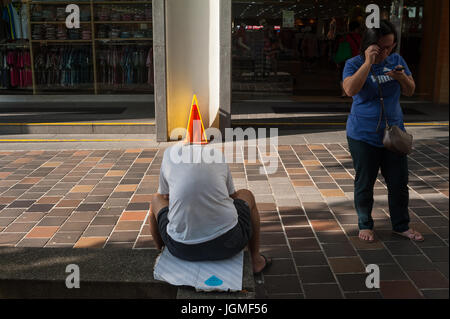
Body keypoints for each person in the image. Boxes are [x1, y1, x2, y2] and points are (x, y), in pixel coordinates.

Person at [342, 20, 423, 243]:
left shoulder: (397, 61)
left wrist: (402, 77)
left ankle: (401, 225)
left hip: (394, 134)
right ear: (370, 44)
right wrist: (369, 62)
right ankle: (365, 224)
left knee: (398, 182)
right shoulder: (354, 63)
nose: (386, 52)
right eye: (382, 47)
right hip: (362, 134)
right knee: (365, 182)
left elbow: (410, 90)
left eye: (390, 47)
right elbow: (349, 89)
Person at [149, 142, 272, 275]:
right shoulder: (217, 154)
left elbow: (165, 195)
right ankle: (255, 261)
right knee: (247, 195)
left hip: (180, 248)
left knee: (156, 200)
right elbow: (233, 195)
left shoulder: (169, 154)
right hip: (229, 243)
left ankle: (161, 252)